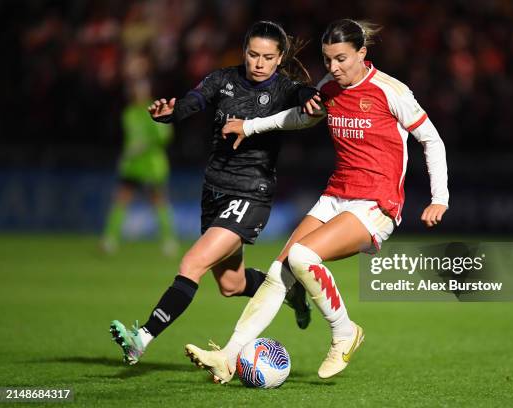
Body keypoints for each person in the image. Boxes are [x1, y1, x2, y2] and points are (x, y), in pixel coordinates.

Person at [184, 19, 449, 382]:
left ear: (362, 53)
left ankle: (345, 331)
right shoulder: (328, 87)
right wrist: (250, 126)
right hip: (335, 195)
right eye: (327, 60)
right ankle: (228, 357)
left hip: (376, 204)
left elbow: (431, 140)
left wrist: (440, 198)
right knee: (279, 272)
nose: (333, 68)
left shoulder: (390, 91)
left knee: (303, 256)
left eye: (341, 59)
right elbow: (300, 118)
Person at [109, 21, 318, 365]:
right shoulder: (223, 80)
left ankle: (141, 339)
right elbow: (194, 100)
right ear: (244, 52)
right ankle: (292, 291)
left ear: (280, 59)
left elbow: (301, 95)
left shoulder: (284, 88)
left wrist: (309, 96)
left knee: (193, 262)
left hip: (251, 193)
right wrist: (171, 112)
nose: (259, 63)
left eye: (267, 57)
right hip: (214, 191)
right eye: (253, 54)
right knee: (232, 285)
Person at [101, 78, 178, 256]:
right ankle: (109, 240)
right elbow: (129, 140)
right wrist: (126, 156)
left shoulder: (156, 109)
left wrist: (146, 144)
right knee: (121, 198)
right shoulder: (128, 113)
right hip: (133, 165)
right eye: (135, 89)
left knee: (159, 200)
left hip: (152, 164)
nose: (138, 92)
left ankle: (169, 240)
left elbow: (165, 136)